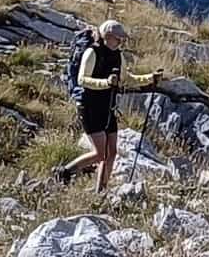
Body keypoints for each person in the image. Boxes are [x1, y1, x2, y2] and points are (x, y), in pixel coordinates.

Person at [65, 20, 160, 193]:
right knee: (100, 153)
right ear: (107, 36)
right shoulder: (92, 52)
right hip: (90, 107)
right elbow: (82, 80)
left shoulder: (118, 55)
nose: (120, 41)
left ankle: (101, 191)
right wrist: (106, 83)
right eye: (118, 38)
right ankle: (65, 172)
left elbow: (127, 78)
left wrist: (150, 78)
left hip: (108, 108)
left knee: (112, 153)